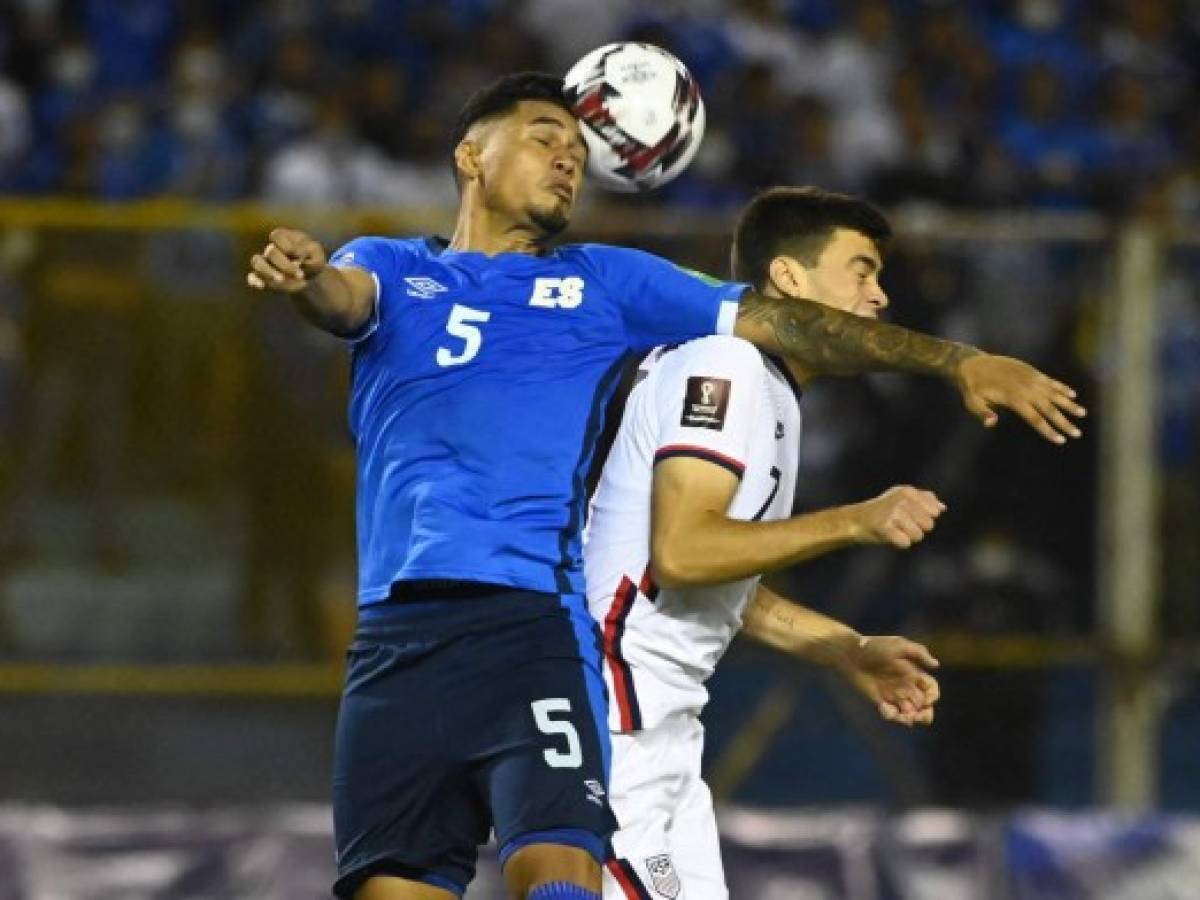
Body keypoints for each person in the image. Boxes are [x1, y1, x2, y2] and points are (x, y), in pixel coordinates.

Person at [244, 73, 1084, 900]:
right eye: (546, 139)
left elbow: (781, 329)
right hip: (399, 634)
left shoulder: (608, 282)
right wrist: (305, 273)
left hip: (534, 625)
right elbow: (339, 298)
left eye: (579, 149)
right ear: (471, 154)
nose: (569, 159)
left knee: (559, 874)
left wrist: (957, 360)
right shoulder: (389, 266)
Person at [586, 186, 945, 899]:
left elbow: (714, 579)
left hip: (662, 734)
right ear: (788, 277)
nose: (879, 297)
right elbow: (683, 552)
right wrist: (856, 520)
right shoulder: (727, 367)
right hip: (611, 721)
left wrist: (846, 648)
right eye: (861, 270)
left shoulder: (769, 388)